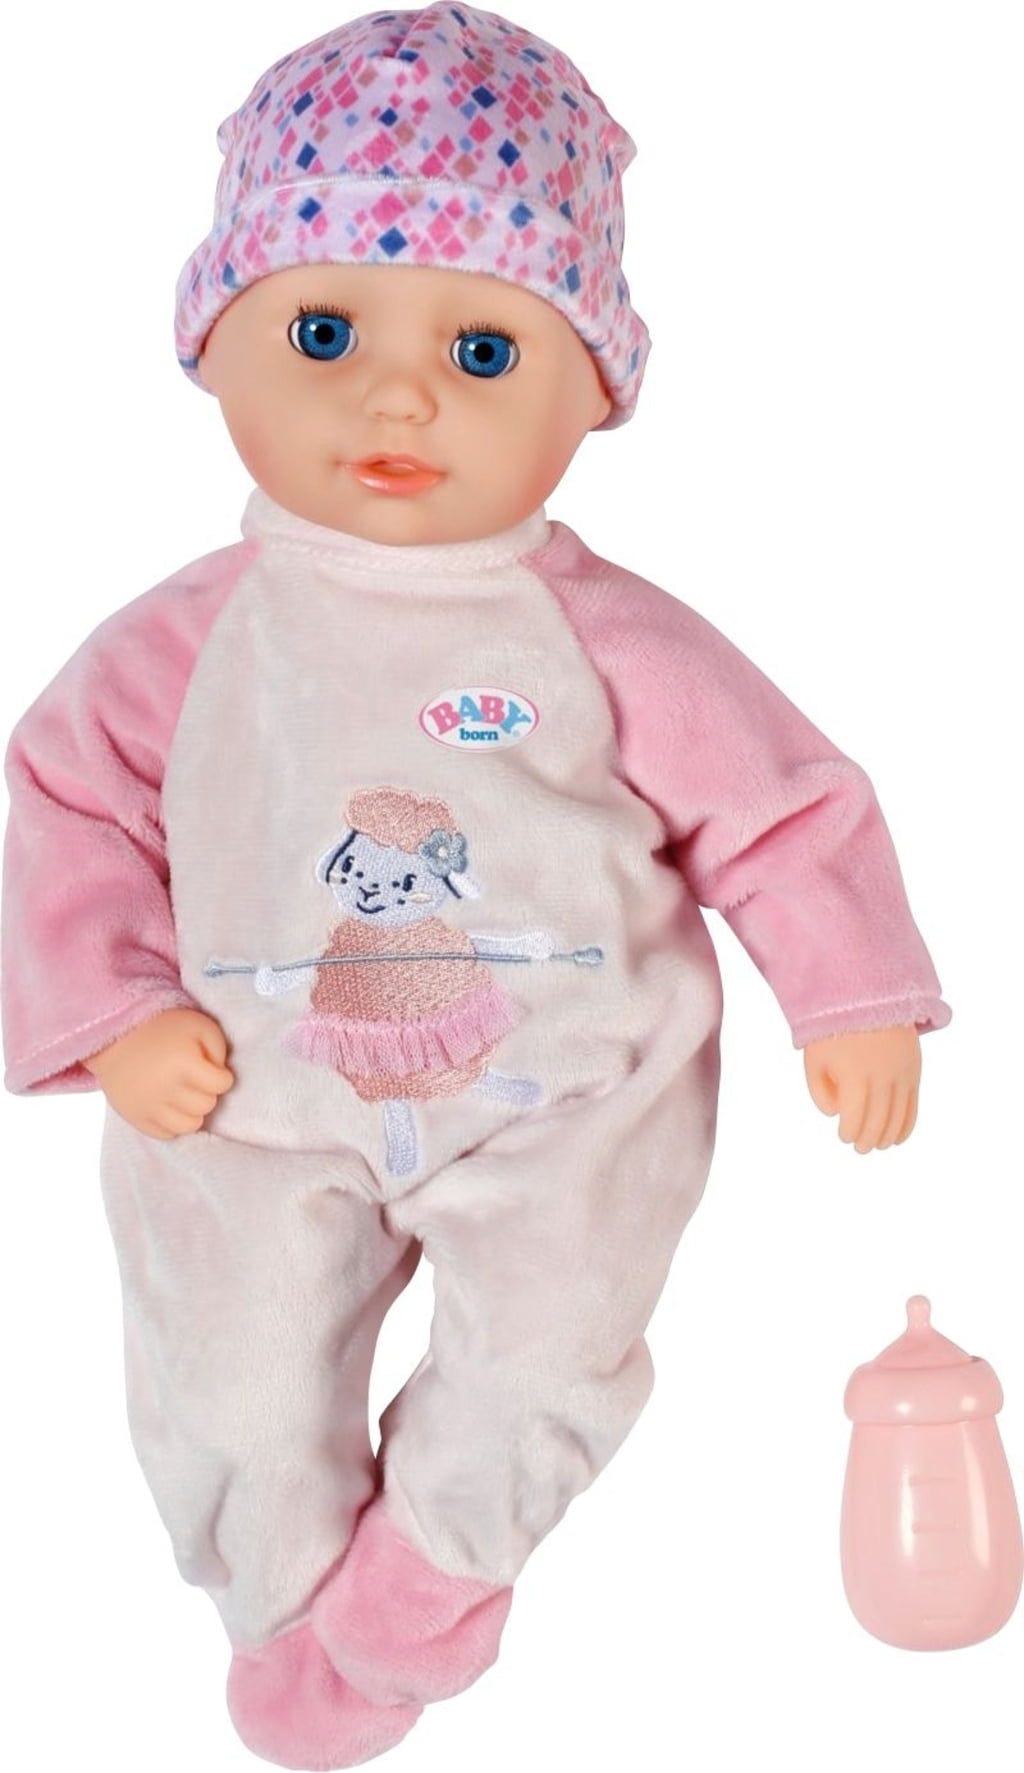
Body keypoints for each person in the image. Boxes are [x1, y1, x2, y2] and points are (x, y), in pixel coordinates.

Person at [0, 7, 949, 1768]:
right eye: (326, 331)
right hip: (251, 1094)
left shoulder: (607, 636)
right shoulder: (191, 645)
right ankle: (282, 1599)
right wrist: (113, 1011)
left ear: (599, 387)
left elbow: (783, 804)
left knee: (548, 1351)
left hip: (567, 1098)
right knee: (225, 1373)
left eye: (486, 350)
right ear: (211, 345)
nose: (399, 396)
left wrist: (850, 993)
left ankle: (414, 1598)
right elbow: (60, 801)